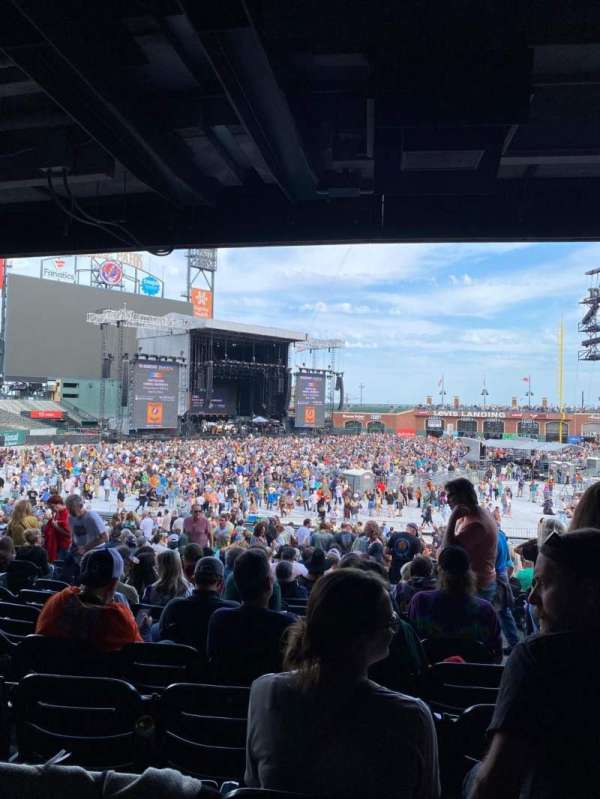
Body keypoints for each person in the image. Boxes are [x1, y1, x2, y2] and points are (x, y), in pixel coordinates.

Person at [245, 568, 439, 798]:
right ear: (365, 636)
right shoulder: (412, 716)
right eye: (390, 620)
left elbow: (254, 784)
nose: (394, 627)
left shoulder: (265, 692)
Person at [468, 529, 600, 798]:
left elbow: (496, 783)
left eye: (543, 583)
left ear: (588, 593)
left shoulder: (538, 657)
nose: (531, 597)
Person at [207, 548, 296, 684]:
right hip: (266, 702)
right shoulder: (286, 624)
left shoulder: (219, 619)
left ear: (236, 582)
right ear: (268, 584)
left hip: (225, 700)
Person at [35, 548, 143, 652]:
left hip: (52, 670)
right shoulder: (119, 619)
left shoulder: (57, 602)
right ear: (113, 583)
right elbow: (136, 651)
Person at [408, 546, 502, 663]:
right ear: (469, 573)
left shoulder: (421, 602)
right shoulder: (485, 610)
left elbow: (411, 645)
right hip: (474, 678)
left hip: (429, 677)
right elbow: (496, 655)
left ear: (439, 570)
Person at [159, 556, 239, 655]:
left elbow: (163, 636)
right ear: (221, 584)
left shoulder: (174, 606)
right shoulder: (232, 609)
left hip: (182, 667)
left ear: (193, 579)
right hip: (216, 669)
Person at [444, 477, 497, 602]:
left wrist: (452, 518)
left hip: (476, 587)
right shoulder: (472, 514)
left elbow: (448, 551)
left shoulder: (476, 524)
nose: (447, 501)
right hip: (475, 583)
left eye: (451, 496)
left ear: (463, 496)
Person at [65, 494, 108, 580]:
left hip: (94, 553)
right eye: (68, 509)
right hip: (78, 553)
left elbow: (105, 537)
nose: (69, 512)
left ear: (80, 506)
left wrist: (85, 548)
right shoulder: (71, 518)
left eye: (71, 509)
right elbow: (73, 535)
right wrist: (73, 545)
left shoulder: (91, 516)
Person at [43, 495, 71, 563]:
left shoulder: (67, 513)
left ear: (58, 504)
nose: (52, 509)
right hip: (59, 545)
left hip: (65, 545)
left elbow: (69, 534)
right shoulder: (59, 512)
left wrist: (56, 527)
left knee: (60, 566)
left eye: (52, 507)